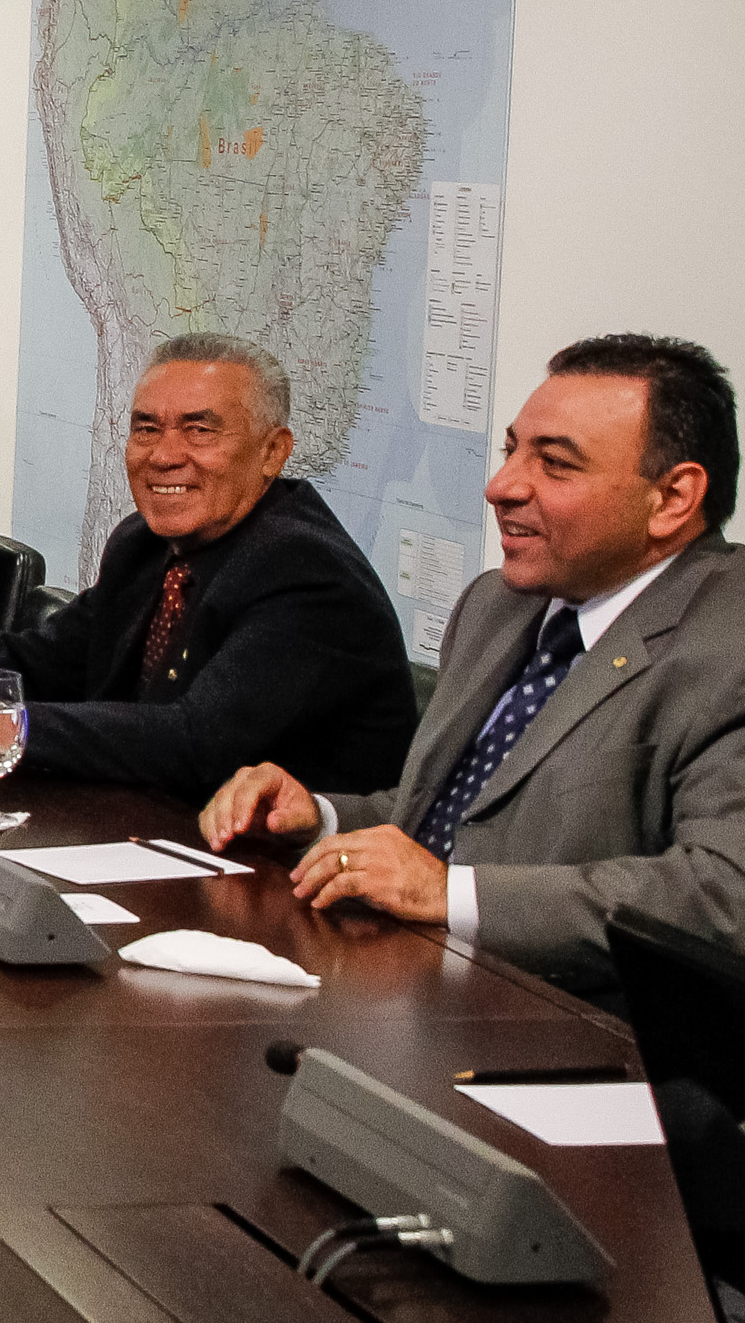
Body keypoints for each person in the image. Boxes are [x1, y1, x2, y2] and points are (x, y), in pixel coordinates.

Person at [202, 334, 745, 1004]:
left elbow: (722, 897)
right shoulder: (497, 605)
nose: (502, 486)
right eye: (512, 450)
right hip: (408, 988)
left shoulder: (728, 645)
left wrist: (449, 893)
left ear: (673, 498)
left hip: (578, 1039)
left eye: (556, 465)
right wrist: (317, 819)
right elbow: (449, 819)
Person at [0, 335, 416, 802]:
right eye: (146, 429)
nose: (163, 456)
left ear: (273, 452)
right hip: (151, 830)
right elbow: (46, 660)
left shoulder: (309, 573)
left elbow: (196, 744)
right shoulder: (143, 543)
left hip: (286, 872)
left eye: (199, 431)